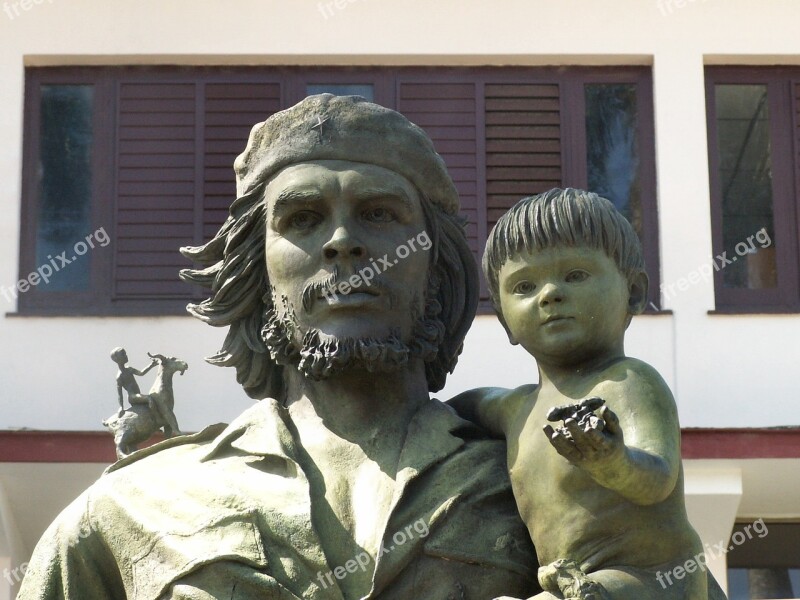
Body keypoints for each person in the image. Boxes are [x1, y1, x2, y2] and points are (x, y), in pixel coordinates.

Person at [18, 94, 537, 599]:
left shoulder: (535, 479)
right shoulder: (126, 510)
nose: (341, 241)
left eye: (378, 214)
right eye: (303, 219)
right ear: (257, 273)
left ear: (438, 270)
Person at [449, 188, 727, 600]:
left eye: (575, 275)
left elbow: (657, 479)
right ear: (505, 320)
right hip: (576, 583)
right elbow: (458, 407)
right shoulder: (514, 409)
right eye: (524, 286)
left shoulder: (628, 382)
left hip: (653, 579)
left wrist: (612, 462)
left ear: (633, 292)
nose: (549, 294)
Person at [111, 347, 181, 435]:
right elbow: (119, 394)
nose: (126, 356)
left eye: (125, 354)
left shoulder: (129, 369)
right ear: (117, 359)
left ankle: (154, 421)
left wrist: (151, 365)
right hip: (133, 397)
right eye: (123, 355)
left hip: (138, 395)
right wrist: (121, 406)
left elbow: (141, 373)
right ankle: (158, 420)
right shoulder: (120, 376)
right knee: (149, 399)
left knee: (153, 401)